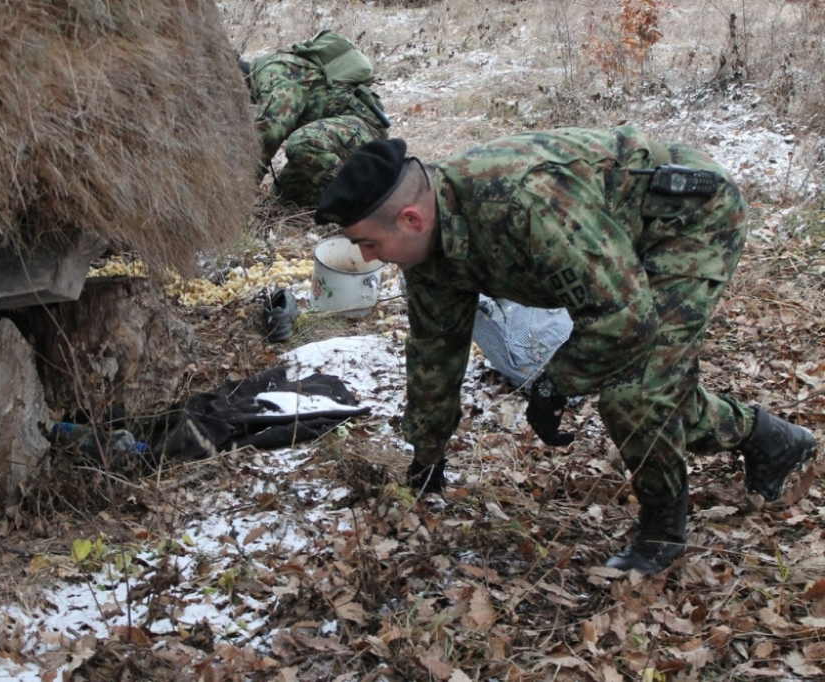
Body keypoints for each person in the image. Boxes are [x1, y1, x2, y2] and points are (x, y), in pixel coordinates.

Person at [313, 128, 818, 575]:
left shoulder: (522, 204)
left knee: (636, 393)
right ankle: (771, 439)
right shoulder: (429, 250)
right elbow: (433, 351)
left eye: (369, 243)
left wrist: (557, 384)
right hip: (612, 243)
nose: (365, 258)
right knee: (660, 388)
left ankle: (663, 530)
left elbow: (623, 317)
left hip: (686, 222)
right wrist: (427, 458)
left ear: (411, 219)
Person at [240, 30, 390, 208]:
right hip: (335, 135)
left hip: (362, 126)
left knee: (302, 144)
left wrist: (239, 193)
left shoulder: (273, 72)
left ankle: (369, 204)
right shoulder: (273, 71)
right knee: (281, 202)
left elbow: (271, 134)